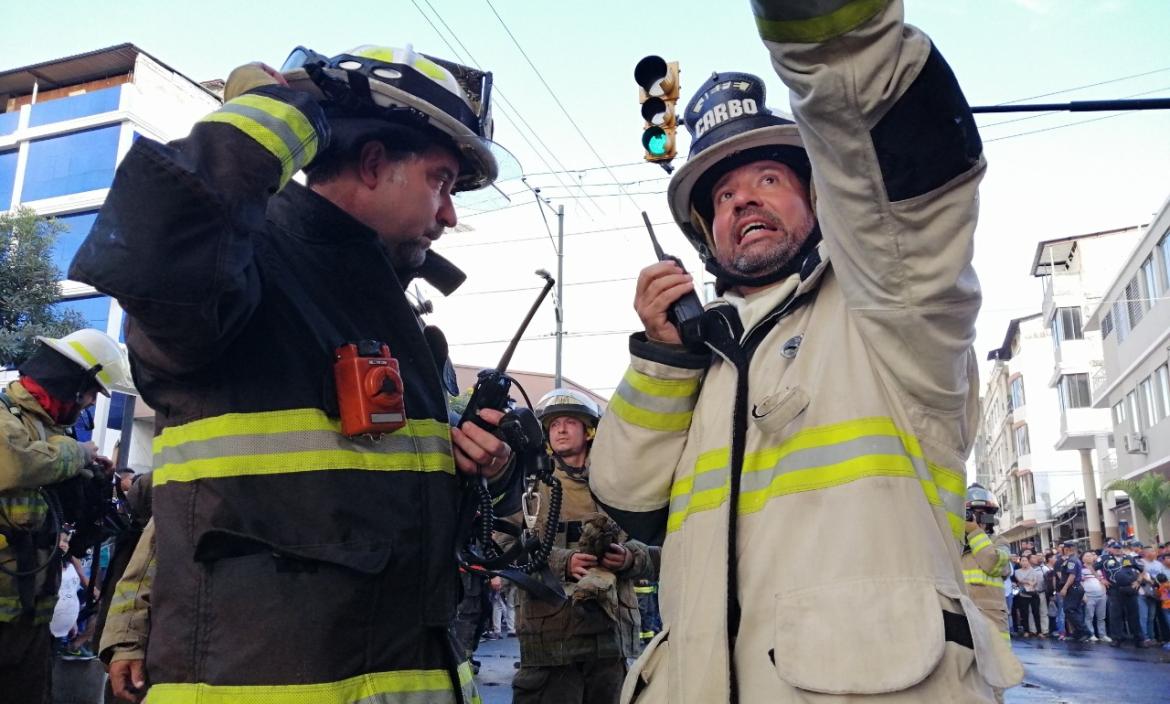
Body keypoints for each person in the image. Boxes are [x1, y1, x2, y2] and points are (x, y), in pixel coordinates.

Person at [589, 1, 1022, 700]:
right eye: (723, 195)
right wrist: (662, 361)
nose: (743, 203)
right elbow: (625, 493)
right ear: (707, 234)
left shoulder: (888, 306)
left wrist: (838, 46)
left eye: (768, 180)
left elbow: (901, 197)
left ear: (822, 198)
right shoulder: (701, 352)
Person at [68, 44, 516, 703]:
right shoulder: (242, 272)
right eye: (441, 182)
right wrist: (273, 118)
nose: (449, 214)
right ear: (371, 164)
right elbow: (159, 248)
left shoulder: (398, 323)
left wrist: (491, 471)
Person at [0, 329, 128, 703]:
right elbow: (13, 463)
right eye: (90, 392)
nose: (89, 403)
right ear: (69, 383)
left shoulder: (51, 434)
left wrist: (89, 476)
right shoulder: (7, 417)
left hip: (30, 617)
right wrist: (79, 454)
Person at [512, 389, 656, 704]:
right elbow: (502, 543)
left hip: (610, 642)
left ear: (589, 430)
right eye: (554, 424)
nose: (561, 429)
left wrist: (630, 557)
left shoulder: (618, 485)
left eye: (570, 422)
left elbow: (661, 547)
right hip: (550, 643)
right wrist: (562, 561)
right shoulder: (529, 485)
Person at [961, 486, 1012, 637]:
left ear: (990, 517)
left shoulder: (1000, 542)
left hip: (991, 618)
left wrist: (975, 533)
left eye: (982, 514)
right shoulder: (955, 544)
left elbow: (993, 564)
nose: (976, 519)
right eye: (971, 514)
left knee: (998, 659)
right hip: (962, 615)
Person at [1101, 539, 1144, 647]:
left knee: (1134, 615)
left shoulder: (1129, 558)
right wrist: (1101, 579)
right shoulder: (1106, 559)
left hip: (1130, 590)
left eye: (1119, 548)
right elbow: (1092, 567)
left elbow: (1142, 569)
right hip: (1115, 590)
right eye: (1115, 548)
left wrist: (1138, 581)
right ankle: (1117, 639)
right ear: (1111, 549)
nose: (1117, 550)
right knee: (1116, 616)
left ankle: (1138, 639)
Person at [1056, 541, 1089, 641]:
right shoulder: (1072, 560)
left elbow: (1072, 575)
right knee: (1076, 610)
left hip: (1073, 587)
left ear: (1067, 549)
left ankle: (1085, 631)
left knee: (1069, 609)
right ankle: (1079, 633)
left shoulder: (1072, 560)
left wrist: (1065, 588)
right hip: (1075, 587)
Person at [1081, 551, 1109, 642]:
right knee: (1089, 617)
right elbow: (1080, 583)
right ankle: (1091, 634)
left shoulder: (1099, 568)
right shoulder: (1081, 569)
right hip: (1089, 595)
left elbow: (1104, 580)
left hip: (1101, 595)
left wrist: (1104, 592)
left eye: (1091, 556)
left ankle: (1102, 635)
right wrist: (1083, 595)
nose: (1090, 557)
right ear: (1083, 558)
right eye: (1087, 556)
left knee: (1101, 617)